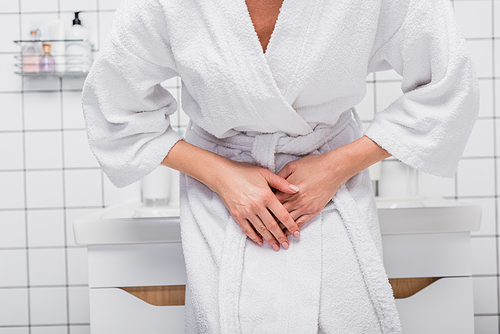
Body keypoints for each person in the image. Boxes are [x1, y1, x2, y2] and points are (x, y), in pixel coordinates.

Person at [82, 0, 479, 332]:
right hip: (220, 194)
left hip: (332, 184)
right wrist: (221, 175)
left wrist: (335, 167)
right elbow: (115, 106)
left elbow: (447, 85)